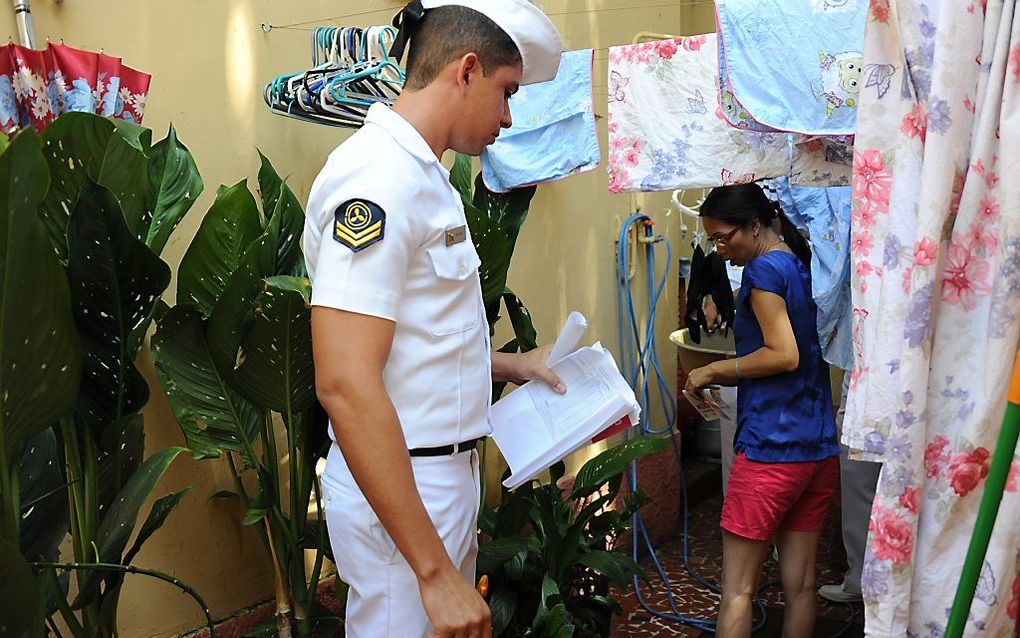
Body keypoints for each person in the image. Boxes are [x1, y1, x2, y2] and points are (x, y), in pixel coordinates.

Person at [302, 2, 563, 637]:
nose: (508, 116)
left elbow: (408, 340)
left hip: (433, 478)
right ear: (466, 70)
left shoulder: (426, 175)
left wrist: (509, 363)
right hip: (404, 489)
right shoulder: (378, 180)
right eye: (506, 92)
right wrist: (433, 571)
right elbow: (344, 381)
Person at [685, 183, 840, 638]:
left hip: (771, 449)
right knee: (804, 587)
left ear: (754, 226)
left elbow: (782, 354)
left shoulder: (762, 272)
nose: (720, 249)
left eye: (723, 237)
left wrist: (712, 370)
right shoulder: (797, 263)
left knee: (738, 591)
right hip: (816, 449)